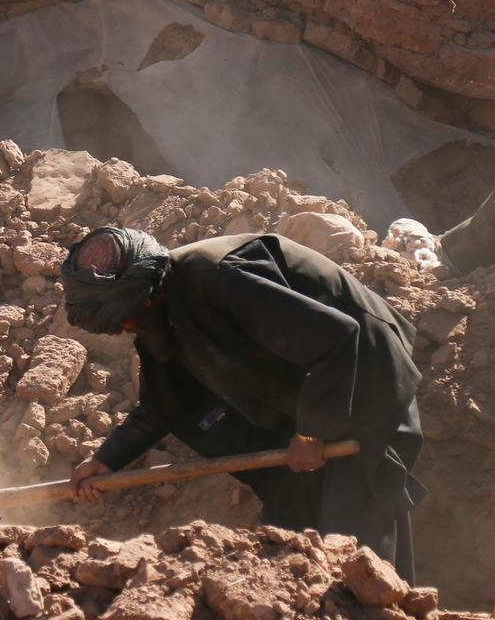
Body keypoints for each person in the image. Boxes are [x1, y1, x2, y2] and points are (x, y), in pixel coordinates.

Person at [63, 228, 424, 577]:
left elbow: (338, 340)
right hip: (305, 394)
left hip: (364, 377)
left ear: (146, 297)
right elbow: (165, 400)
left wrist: (313, 434)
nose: (117, 332)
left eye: (121, 322)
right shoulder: (163, 311)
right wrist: (106, 459)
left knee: (357, 529)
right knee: (291, 522)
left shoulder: (224, 279)